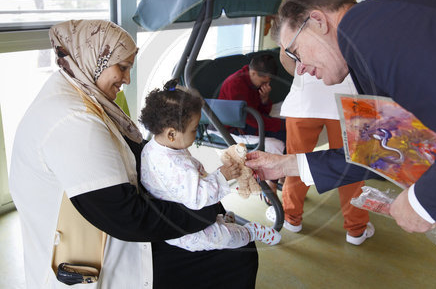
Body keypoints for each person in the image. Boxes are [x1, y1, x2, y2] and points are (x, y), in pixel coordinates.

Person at [246, 0, 436, 288]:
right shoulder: (369, 43)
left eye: (296, 53)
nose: (299, 70)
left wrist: (421, 202)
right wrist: (286, 165)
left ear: (318, 21)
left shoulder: (370, 29)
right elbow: (379, 148)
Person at [9, 20, 258, 288]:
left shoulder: (75, 87)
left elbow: (137, 157)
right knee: (237, 257)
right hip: (107, 249)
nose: (127, 79)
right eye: (123, 67)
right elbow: (128, 219)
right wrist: (204, 211)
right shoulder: (74, 121)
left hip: (110, 229)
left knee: (234, 246)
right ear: (95, 59)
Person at [267, 0, 372, 246]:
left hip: (305, 104)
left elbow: (287, 60)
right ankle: (356, 229)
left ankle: (291, 218)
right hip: (351, 104)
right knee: (353, 166)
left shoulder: (302, 18)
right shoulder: (359, 18)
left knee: (296, 163)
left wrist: (304, 73)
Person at [140, 78, 281, 251]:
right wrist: (222, 177)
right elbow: (198, 198)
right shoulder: (174, 166)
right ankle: (250, 232)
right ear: (171, 133)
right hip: (181, 219)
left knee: (213, 223)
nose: (196, 133)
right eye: (193, 130)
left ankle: (224, 221)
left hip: (177, 205)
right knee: (222, 239)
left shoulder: (154, 147)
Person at [218, 53, 286, 144]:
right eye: (263, 82)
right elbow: (251, 119)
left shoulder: (253, 81)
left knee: (289, 129)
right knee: (285, 134)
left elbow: (262, 113)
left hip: (252, 120)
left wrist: (264, 100)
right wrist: (282, 124)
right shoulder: (235, 85)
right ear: (253, 73)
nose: (266, 86)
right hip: (235, 127)